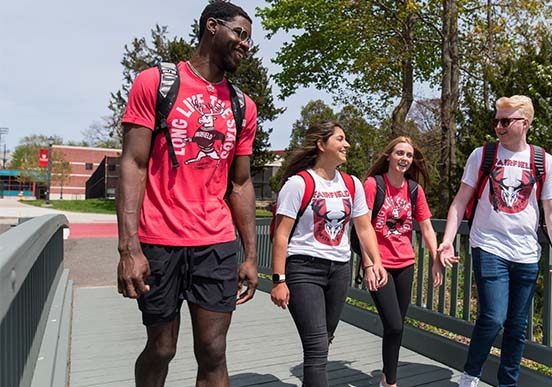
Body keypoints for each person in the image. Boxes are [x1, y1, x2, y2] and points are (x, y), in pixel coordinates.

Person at [116, 2, 258, 386]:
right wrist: (129, 250)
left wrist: (249, 254)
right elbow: (132, 164)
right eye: (240, 33)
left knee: (213, 350)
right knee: (162, 348)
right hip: (159, 240)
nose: (246, 44)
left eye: (249, 38)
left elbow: (241, 183)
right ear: (212, 26)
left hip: (215, 242)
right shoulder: (155, 83)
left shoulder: (243, 106)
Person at [437, 95, 552, 387]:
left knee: (517, 325)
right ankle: (471, 375)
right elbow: (459, 202)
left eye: (505, 121)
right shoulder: (482, 155)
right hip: (488, 245)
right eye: (496, 120)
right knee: (493, 317)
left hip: (527, 252)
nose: (498, 126)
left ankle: (507, 383)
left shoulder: (543, 161)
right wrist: (448, 240)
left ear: (524, 123)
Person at [270, 121, 388, 387]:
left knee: (325, 339)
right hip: (303, 268)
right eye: (340, 139)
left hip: (339, 270)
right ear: (322, 145)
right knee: (316, 346)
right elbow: (280, 235)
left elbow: (364, 226)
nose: (347, 145)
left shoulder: (352, 184)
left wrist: (375, 262)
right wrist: (278, 280)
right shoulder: (298, 184)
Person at [361, 136, 444, 387]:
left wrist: (436, 258)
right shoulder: (373, 185)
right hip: (380, 265)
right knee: (394, 325)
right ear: (388, 156)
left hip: (406, 264)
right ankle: (392, 382)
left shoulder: (413, 190)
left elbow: (427, 228)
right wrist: (368, 265)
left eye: (408, 155)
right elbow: (361, 227)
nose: (404, 159)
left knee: (396, 327)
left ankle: (388, 379)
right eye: (399, 153)